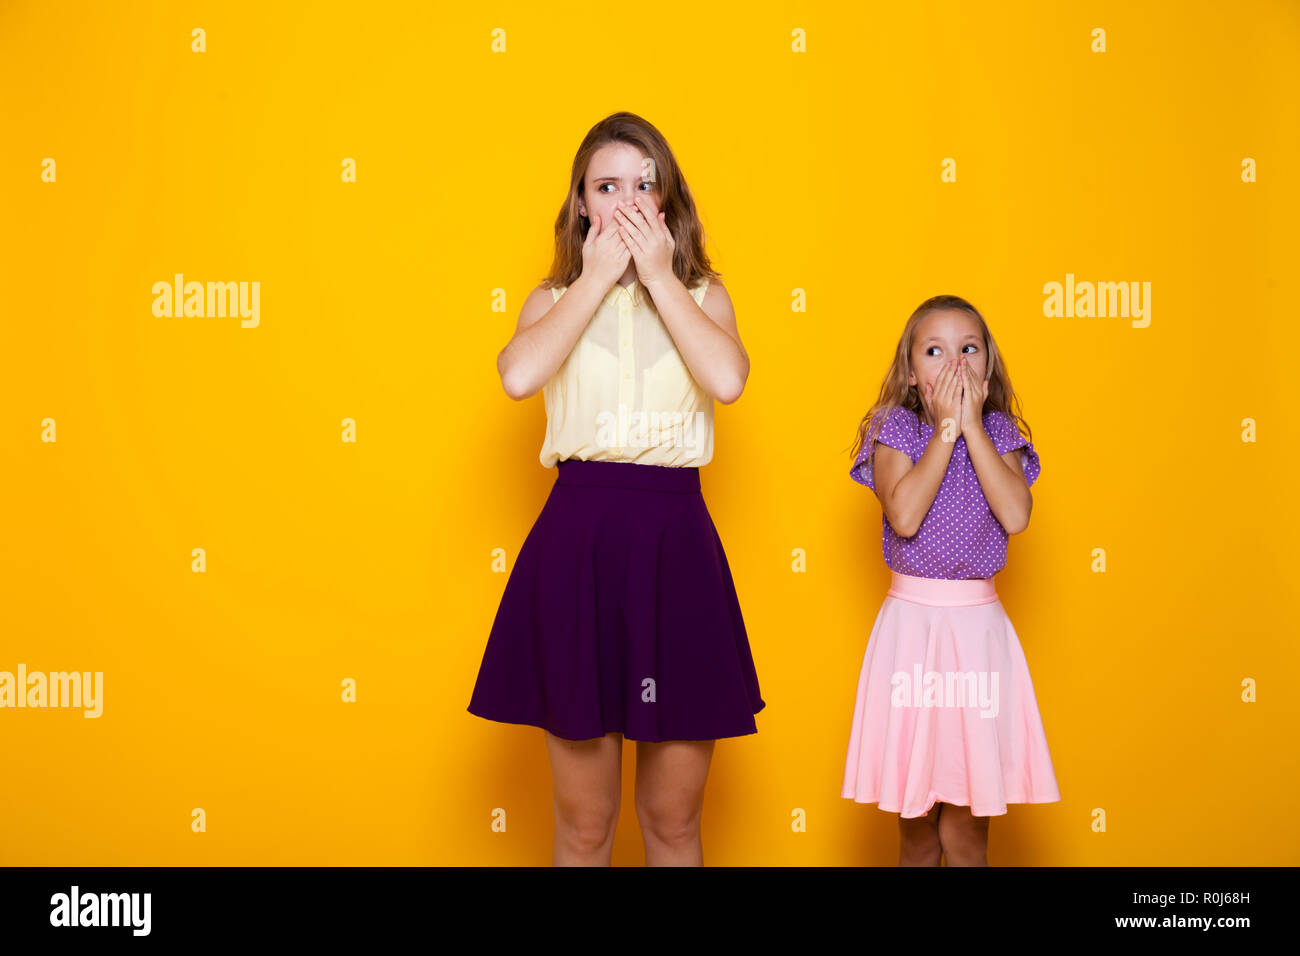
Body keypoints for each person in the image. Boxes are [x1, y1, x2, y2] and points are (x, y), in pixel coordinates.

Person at [468, 111, 764, 866]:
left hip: (676, 549)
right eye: (608, 186)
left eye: (645, 184)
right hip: (578, 548)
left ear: (668, 204)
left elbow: (728, 381)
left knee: (672, 826)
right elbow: (517, 375)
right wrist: (597, 276)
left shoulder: (705, 297)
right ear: (581, 205)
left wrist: (661, 277)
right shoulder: (551, 299)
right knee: (585, 828)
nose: (627, 201)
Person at [841, 294, 1060, 866]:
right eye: (935, 351)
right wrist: (944, 432)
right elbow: (905, 515)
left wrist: (972, 429)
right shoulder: (897, 429)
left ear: (987, 365)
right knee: (916, 830)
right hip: (912, 635)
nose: (955, 364)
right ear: (912, 373)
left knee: (966, 831)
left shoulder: (1002, 432)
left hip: (977, 638)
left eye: (969, 349)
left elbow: (1015, 514)